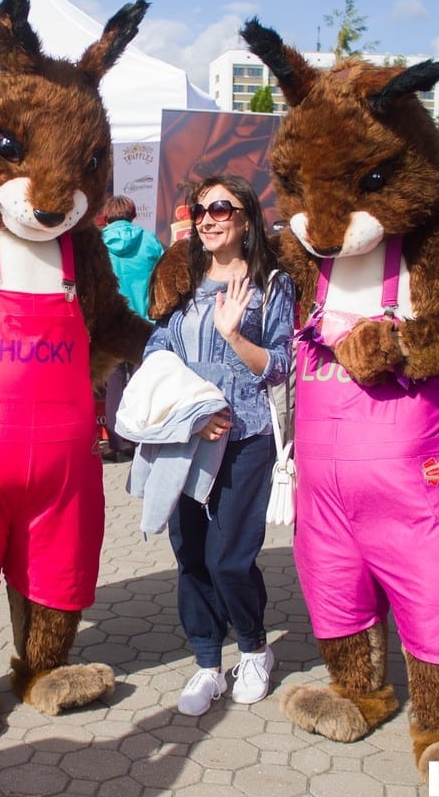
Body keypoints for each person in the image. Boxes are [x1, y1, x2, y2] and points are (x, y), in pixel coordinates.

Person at [143, 174, 295, 716]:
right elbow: (157, 349)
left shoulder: (273, 286)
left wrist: (234, 335)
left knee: (229, 558)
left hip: (246, 437)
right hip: (188, 439)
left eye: (220, 208)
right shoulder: (182, 282)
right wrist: (187, 408)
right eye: (200, 209)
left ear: (246, 218)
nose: (207, 218)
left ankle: (254, 649)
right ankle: (208, 662)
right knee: (191, 555)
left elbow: (282, 364)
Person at [100, 194, 164, 463]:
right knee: (143, 384)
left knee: (113, 383)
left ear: (106, 216)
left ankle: (116, 444)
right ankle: (141, 441)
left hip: (109, 324)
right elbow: (164, 278)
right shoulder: (149, 241)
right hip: (143, 324)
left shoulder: (98, 243)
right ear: (132, 213)